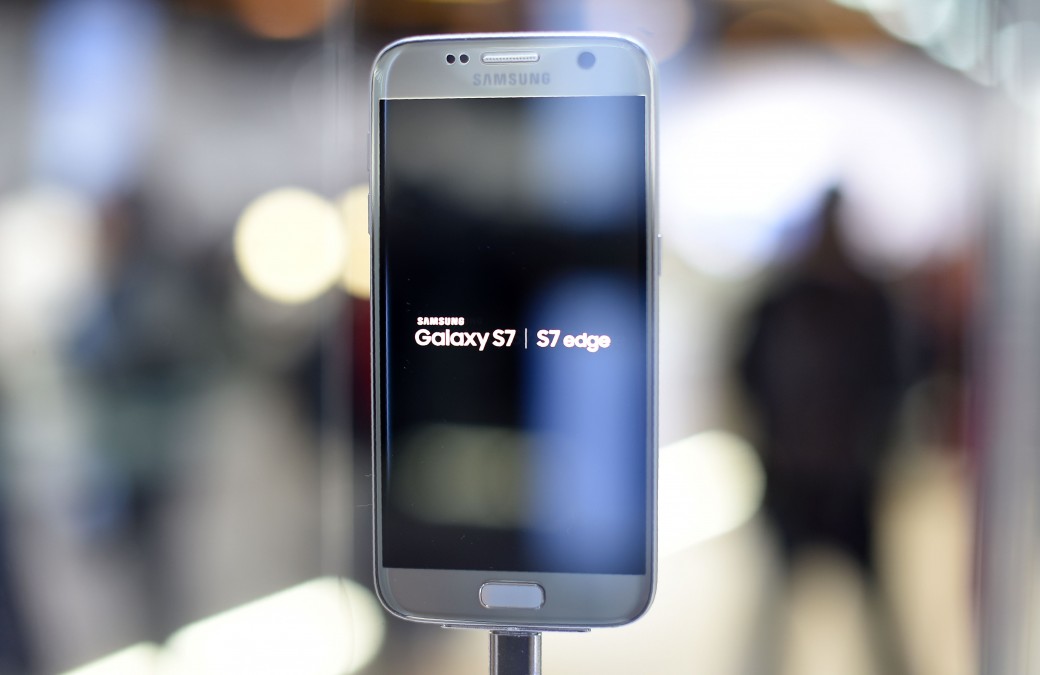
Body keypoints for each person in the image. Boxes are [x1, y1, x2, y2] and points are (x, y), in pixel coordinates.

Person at [739, 187, 908, 674]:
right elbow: (751, 374)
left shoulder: (866, 300)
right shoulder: (787, 299)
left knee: (877, 610)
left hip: (845, 476)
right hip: (797, 473)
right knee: (773, 609)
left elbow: (893, 380)